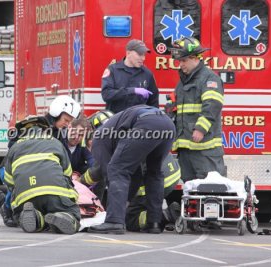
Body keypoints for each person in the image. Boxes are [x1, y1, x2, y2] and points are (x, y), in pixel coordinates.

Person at [0, 95, 81, 227]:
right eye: (66, 120)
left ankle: (33, 214)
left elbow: (65, 159)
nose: (67, 124)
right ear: (56, 113)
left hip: (27, 167)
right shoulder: (34, 124)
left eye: (69, 121)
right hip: (10, 167)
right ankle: (7, 208)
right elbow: (13, 150)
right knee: (22, 179)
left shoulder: (58, 134)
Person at [88, 104, 175, 234]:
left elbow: (110, 174)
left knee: (116, 169)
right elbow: (136, 175)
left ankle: (114, 222)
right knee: (154, 173)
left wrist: (115, 206)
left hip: (146, 123)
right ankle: (154, 223)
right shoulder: (116, 129)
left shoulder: (99, 138)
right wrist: (126, 200)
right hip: (167, 124)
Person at [3, 117, 81, 234]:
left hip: (26, 197)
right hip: (55, 192)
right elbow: (67, 174)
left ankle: (37, 218)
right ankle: (65, 215)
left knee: (21, 213)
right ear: (45, 129)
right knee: (71, 212)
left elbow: (9, 181)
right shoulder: (55, 142)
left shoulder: (14, 148)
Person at [169, 37, 225, 182]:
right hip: (186, 148)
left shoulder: (209, 78)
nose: (180, 64)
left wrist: (200, 128)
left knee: (210, 191)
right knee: (190, 192)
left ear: (194, 58)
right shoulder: (182, 82)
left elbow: (212, 104)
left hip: (204, 150)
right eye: (179, 61)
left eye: (183, 60)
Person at [101, 39, 159, 114]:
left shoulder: (147, 74)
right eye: (140, 54)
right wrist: (133, 91)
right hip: (117, 120)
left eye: (144, 55)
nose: (143, 58)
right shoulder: (113, 70)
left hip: (138, 122)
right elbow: (106, 95)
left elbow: (154, 103)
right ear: (128, 53)